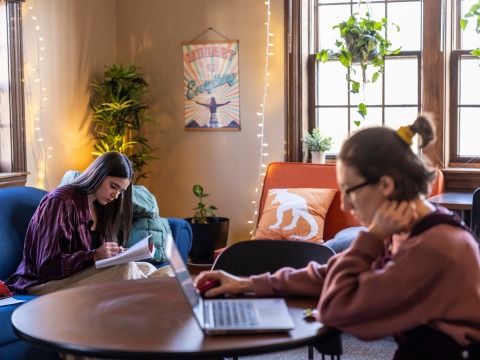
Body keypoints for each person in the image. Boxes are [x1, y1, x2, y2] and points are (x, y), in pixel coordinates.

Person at [195, 114, 480, 359]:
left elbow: (336, 309)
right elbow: (329, 273)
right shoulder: (413, 225)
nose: (345, 205)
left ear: (386, 185)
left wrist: (373, 236)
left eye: (350, 191)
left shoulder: (433, 248)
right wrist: (246, 284)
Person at [7, 151, 162, 295]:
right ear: (98, 174)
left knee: (149, 268)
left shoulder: (101, 206)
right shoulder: (59, 201)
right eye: (114, 186)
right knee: (125, 269)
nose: (115, 195)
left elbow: (98, 257)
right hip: (43, 282)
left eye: (121, 191)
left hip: (76, 275)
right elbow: (46, 266)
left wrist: (114, 254)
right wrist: (93, 256)